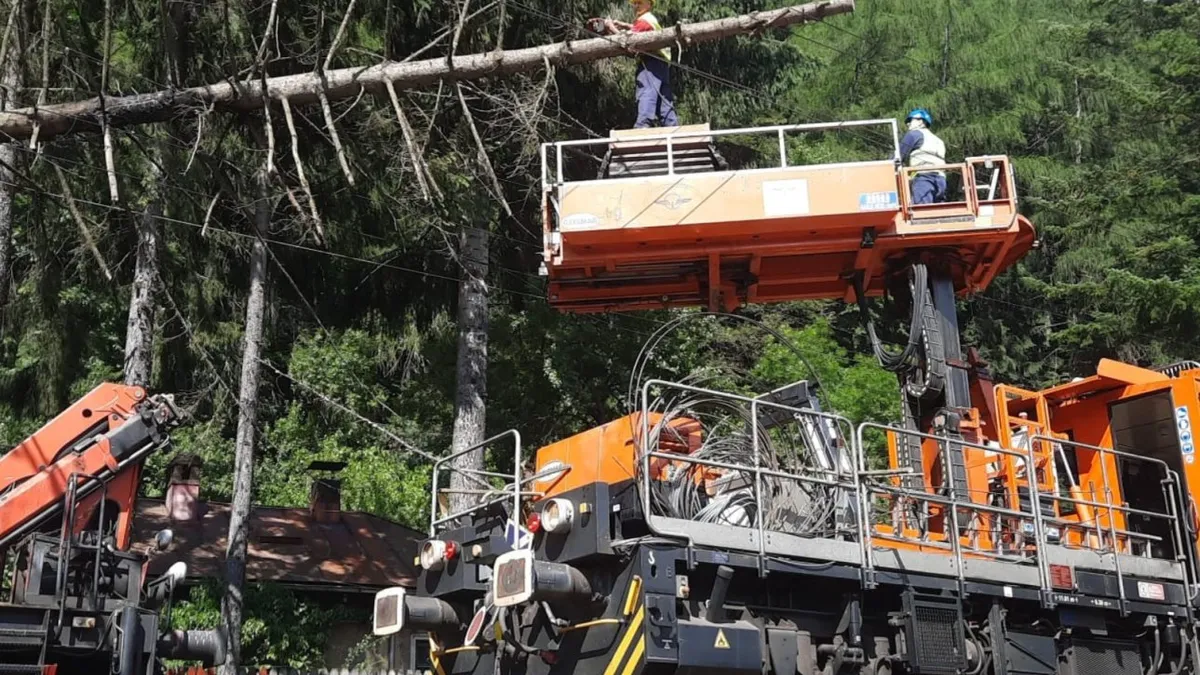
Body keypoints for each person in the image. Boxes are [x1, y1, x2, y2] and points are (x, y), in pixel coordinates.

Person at [605, 0, 679, 129]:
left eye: (640, 2)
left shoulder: (644, 20)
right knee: (664, 99)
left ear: (649, 4)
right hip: (661, 64)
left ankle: (643, 125)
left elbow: (629, 41)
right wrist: (624, 25)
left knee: (646, 91)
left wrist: (610, 26)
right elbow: (639, 31)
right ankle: (672, 126)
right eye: (635, 3)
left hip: (651, 64)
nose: (636, 5)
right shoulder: (650, 20)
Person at [899, 108, 946, 205]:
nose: (908, 124)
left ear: (921, 122)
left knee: (922, 210)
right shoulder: (939, 141)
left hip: (924, 178)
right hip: (941, 179)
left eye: (910, 120)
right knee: (940, 210)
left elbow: (898, 156)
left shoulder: (914, 134)